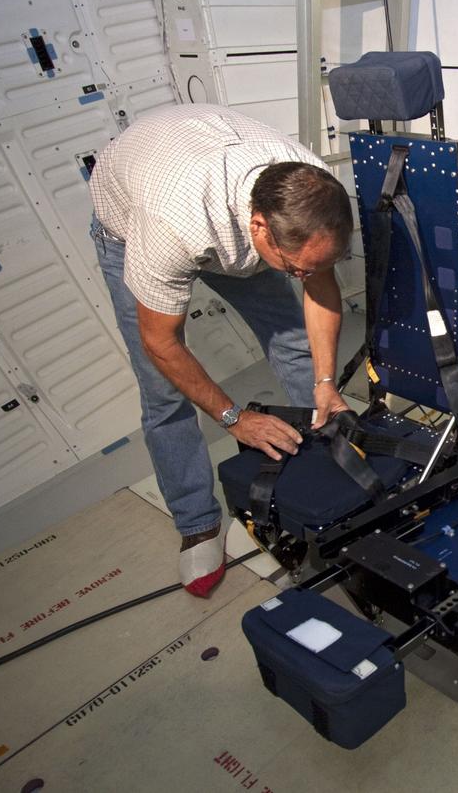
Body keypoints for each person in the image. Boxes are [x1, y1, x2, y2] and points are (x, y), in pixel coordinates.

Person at [88, 104, 352, 597]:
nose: (301, 276)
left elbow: (318, 284)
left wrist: (325, 381)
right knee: (161, 393)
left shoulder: (307, 195)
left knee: (294, 340)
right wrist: (235, 419)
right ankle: (197, 522)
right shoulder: (172, 227)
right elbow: (160, 342)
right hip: (130, 223)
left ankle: (330, 447)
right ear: (259, 229)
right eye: (294, 267)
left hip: (207, 182)